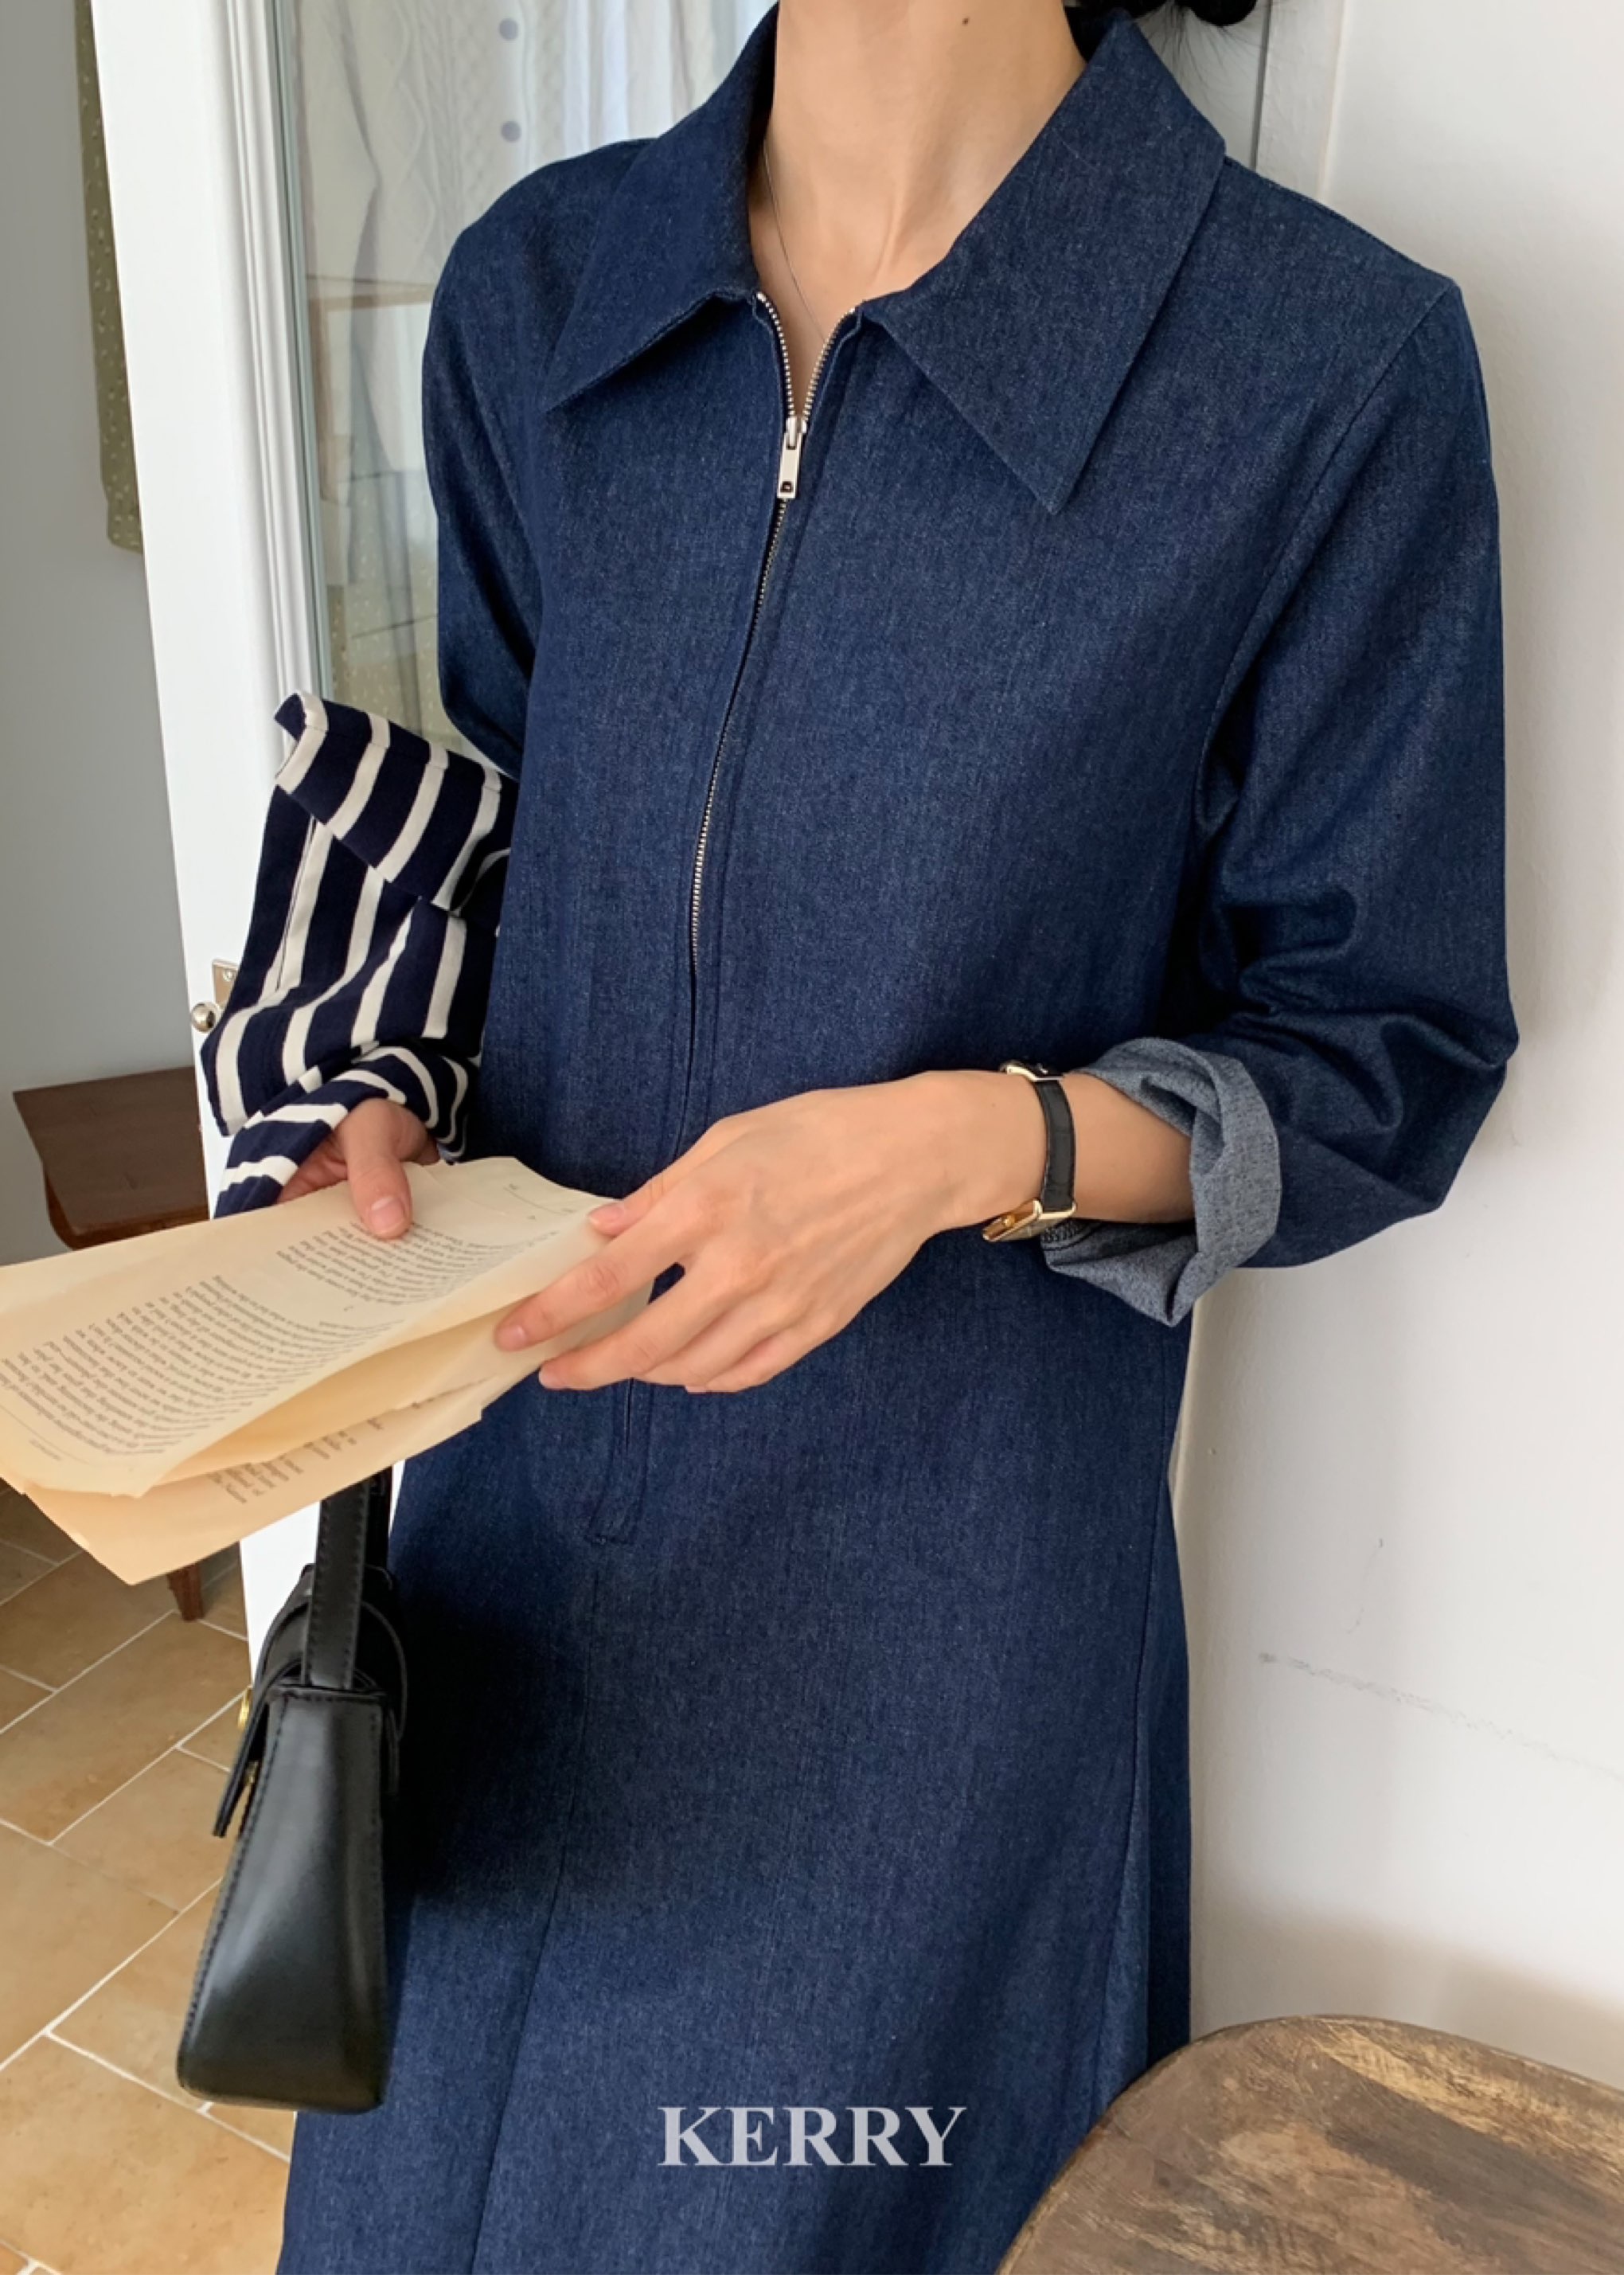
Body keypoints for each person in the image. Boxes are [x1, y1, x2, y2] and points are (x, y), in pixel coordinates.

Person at [214, 3, 1517, 2269]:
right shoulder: (544, 293)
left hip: (935, 1631)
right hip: (507, 1548)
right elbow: (530, 835)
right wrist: (384, 1092)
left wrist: (958, 1149)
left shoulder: (1323, 370)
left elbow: (1380, 1049)